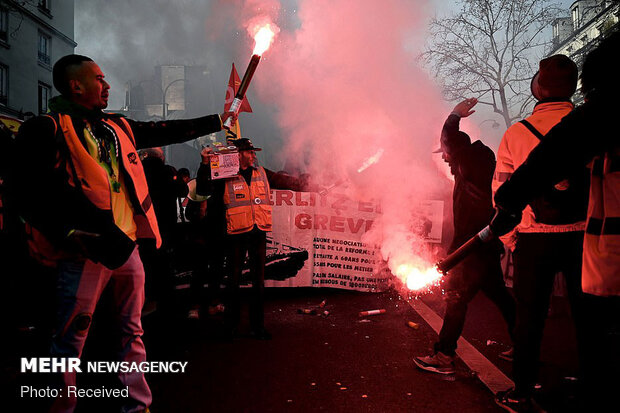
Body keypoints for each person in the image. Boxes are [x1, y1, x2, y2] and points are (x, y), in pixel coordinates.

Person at [9, 54, 230, 413]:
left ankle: (137, 405)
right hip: (86, 252)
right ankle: (60, 408)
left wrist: (218, 119)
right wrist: (67, 232)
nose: (107, 85)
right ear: (75, 85)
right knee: (71, 339)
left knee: (133, 332)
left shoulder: (116, 127)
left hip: (126, 247)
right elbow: (25, 191)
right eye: (98, 79)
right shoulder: (47, 128)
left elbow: (163, 129)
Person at [491, 31, 620, 412]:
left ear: (538, 88)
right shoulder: (598, 121)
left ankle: (522, 390)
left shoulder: (517, 133)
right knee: (590, 321)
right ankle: (592, 390)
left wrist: (513, 238)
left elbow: (502, 190)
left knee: (529, 318)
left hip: (535, 239)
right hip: (586, 240)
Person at [413, 98, 516, 374]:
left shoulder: (469, 161)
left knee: (455, 298)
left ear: (457, 151)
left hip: (472, 247)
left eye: (445, 154)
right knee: (502, 298)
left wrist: (454, 115)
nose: (444, 158)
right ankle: (525, 346)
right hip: (484, 245)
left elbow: (449, 138)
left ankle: (444, 357)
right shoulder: (474, 168)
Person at [196, 137, 314, 339]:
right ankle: (231, 326)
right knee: (233, 282)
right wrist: (205, 165)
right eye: (250, 152)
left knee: (258, 283)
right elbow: (203, 189)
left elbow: (283, 180)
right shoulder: (225, 174)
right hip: (235, 234)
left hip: (257, 232)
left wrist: (309, 185)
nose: (254, 155)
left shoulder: (261, 173)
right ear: (239, 154)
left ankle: (257, 326)